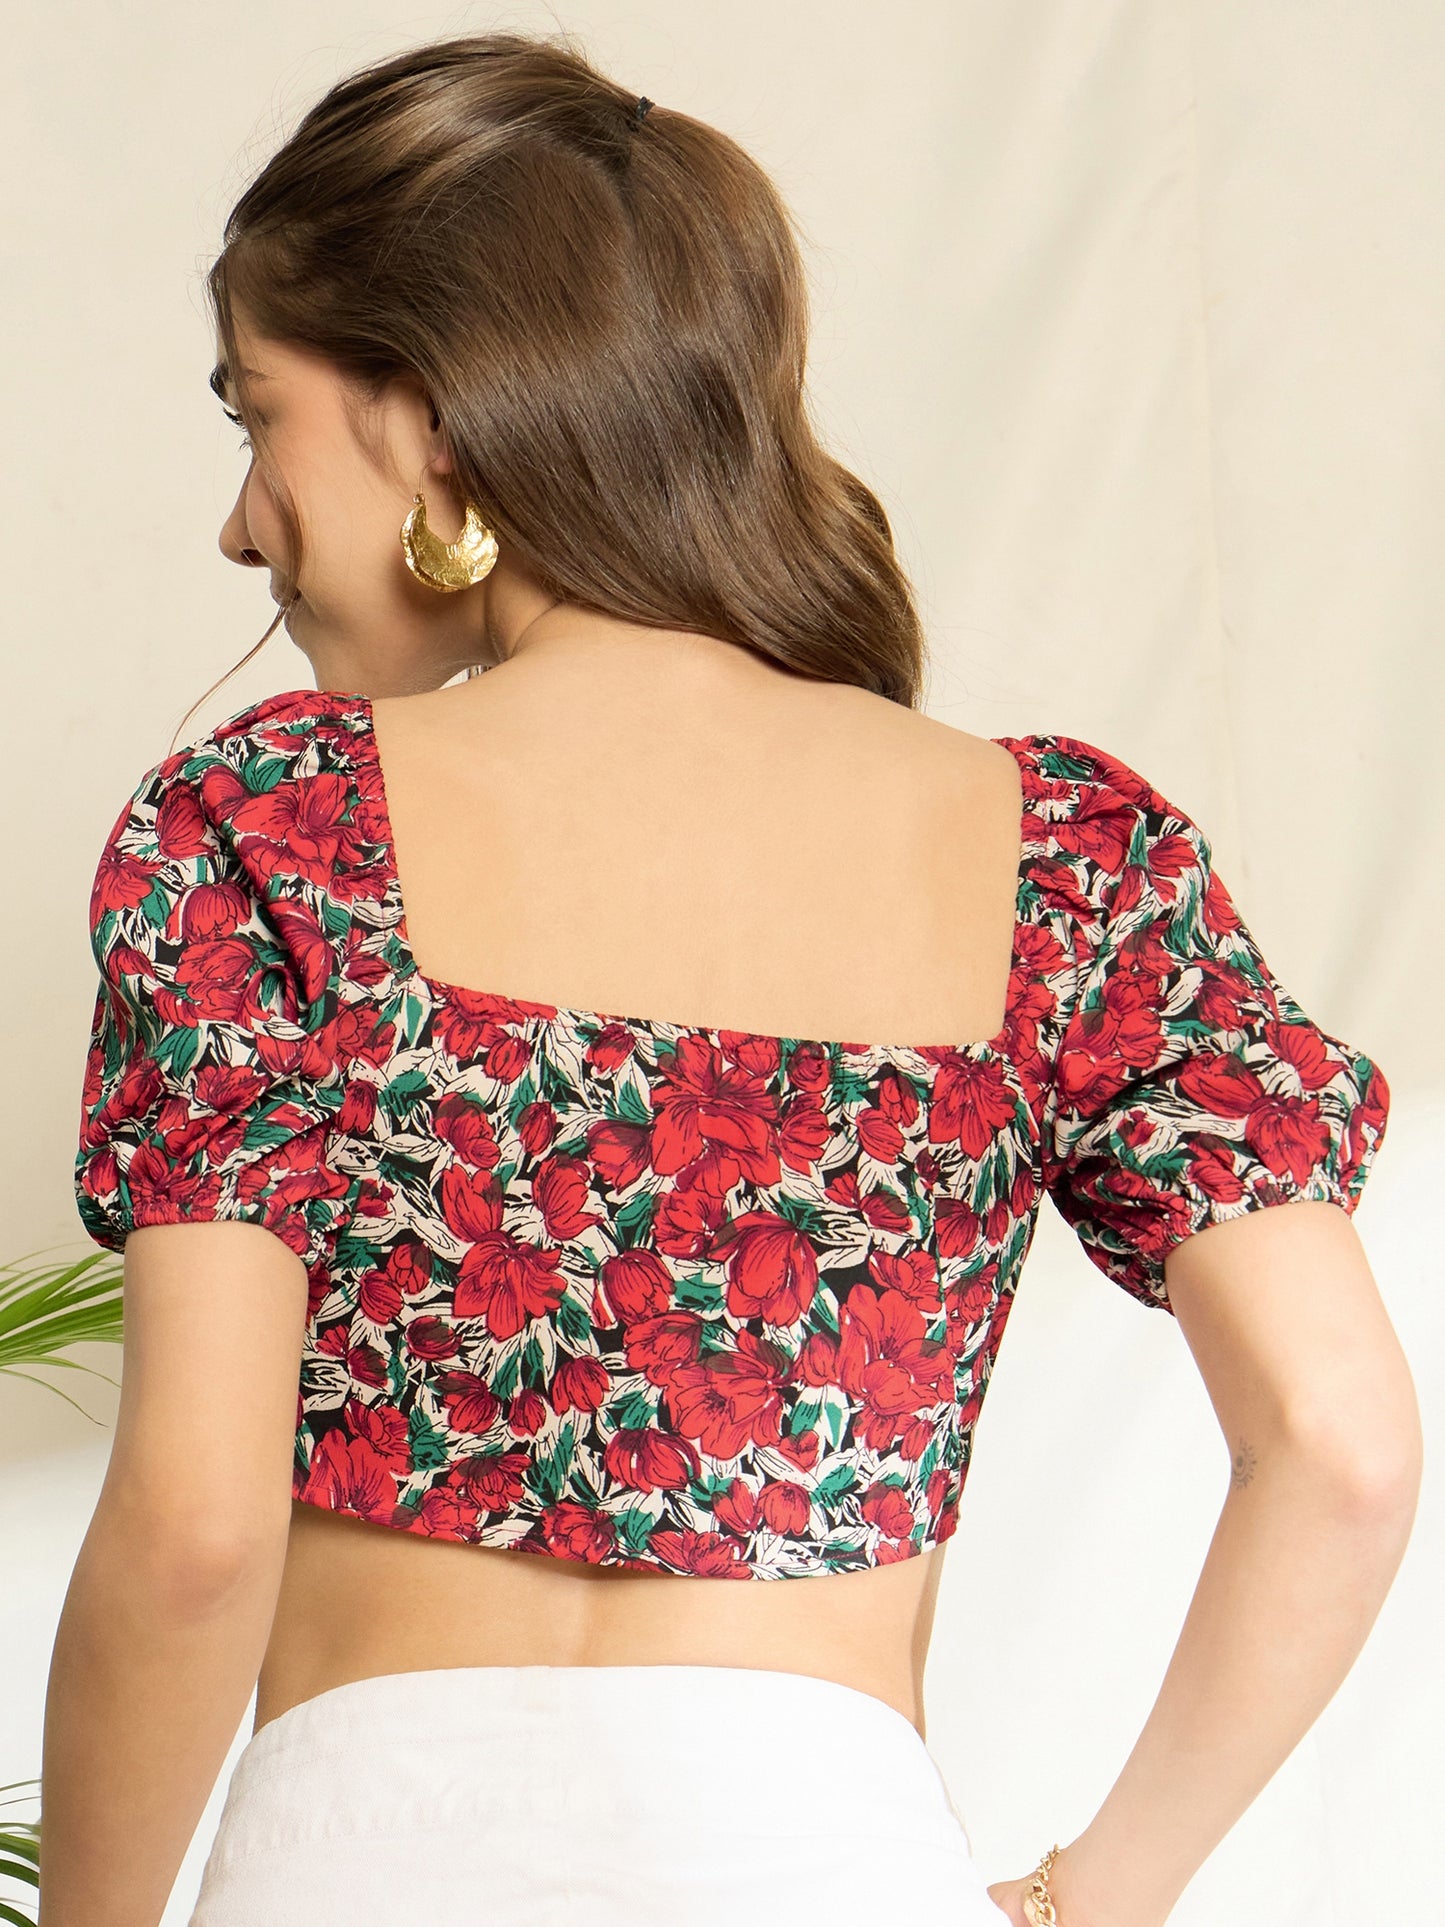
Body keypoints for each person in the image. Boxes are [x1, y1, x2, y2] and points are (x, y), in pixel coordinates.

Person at [40, 28, 1417, 1927]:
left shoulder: (272, 827)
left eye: (254, 417)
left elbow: (194, 1535)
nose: (239, 520)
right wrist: (1093, 1899)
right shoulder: (1064, 859)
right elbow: (1341, 1449)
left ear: (429, 416)